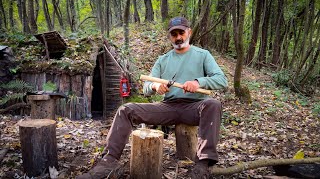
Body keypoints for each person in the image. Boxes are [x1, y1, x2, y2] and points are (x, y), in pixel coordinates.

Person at [77, 16, 228, 179]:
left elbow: (222, 80)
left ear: (189, 32)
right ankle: (108, 161)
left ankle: (203, 164)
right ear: (170, 36)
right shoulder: (163, 60)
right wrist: (156, 86)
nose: (178, 37)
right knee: (126, 110)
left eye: (181, 33)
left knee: (213, 104)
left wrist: (199, 82)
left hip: (195, 107)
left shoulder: (203, 55)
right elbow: (147, 87)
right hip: (168, 107)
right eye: (174, 34)